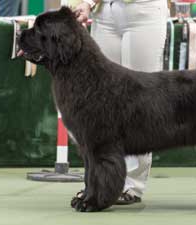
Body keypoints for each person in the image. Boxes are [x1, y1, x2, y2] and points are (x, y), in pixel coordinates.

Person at [75, 0, 168, 204]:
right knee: (102, 105)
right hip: (104, 13)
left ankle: (132, 186)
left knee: (141, 101)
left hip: (144, 10)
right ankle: (99, 185)